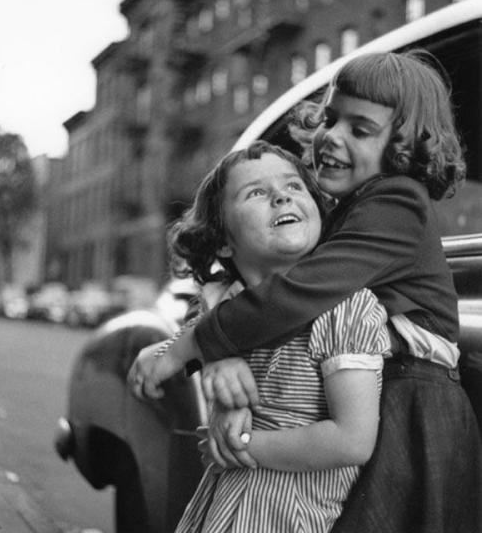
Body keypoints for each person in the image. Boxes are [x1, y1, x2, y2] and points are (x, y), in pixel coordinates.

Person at [130, 51, 482, 532]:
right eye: (331, 118)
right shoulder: (343, 212)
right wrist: (221, 353)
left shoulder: (397, 202)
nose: (332, 136)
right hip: (376, 399)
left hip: (416, 410)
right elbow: (249, 291)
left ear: (403, 148)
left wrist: (193, 345)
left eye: (360, 129)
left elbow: (297, 292)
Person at [135, 140, 391, 532]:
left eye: (294, 186)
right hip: (218, 513)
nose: (280, 197)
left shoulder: (344, 309)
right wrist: (200, 359)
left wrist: (243, 444)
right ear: (222, 240)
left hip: (288, 518)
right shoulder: (225, 313)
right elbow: (175, 363)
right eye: (256, 192)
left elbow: (352, 439)